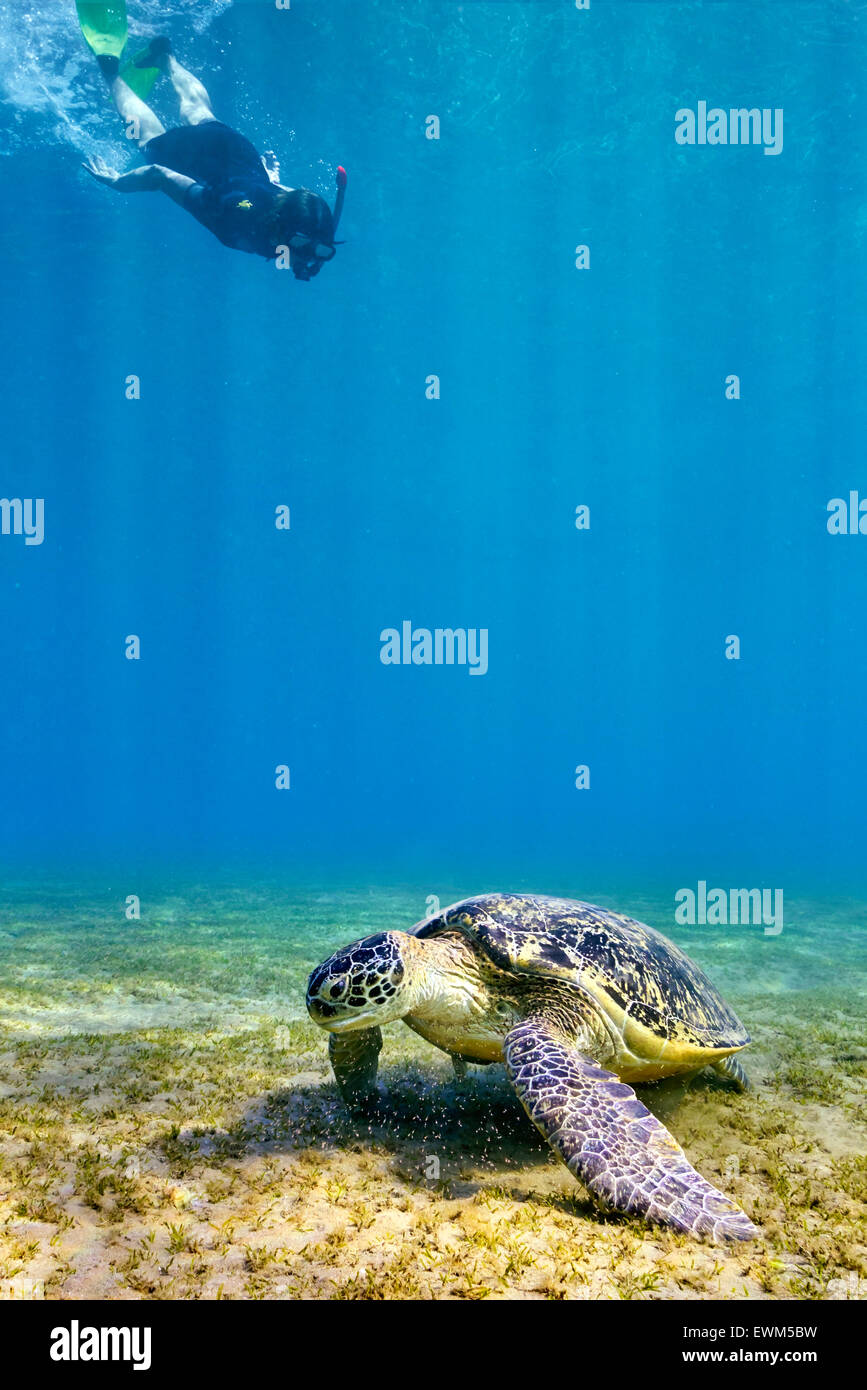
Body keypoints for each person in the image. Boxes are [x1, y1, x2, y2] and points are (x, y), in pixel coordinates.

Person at [77, 3, 346, 281]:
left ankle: (166, 56)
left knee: (199, 112)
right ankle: (110, 71)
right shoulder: (235, 220)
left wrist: (269, 177)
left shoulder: (308, 225)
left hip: (237, 150)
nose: (309, 257)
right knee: (148, 142)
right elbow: (160, 176)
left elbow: (284, 197)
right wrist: (118, 182)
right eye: (301, 244)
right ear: (280, 227)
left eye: (324, 251)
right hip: (204, 160)